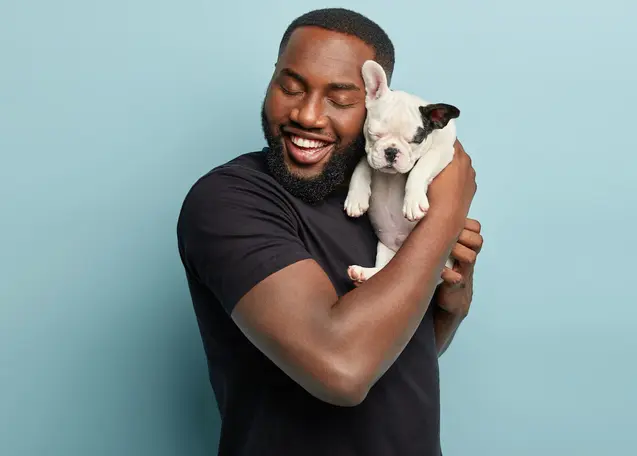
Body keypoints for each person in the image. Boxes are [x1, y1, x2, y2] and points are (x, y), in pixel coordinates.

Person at [176, 7, 483, 456]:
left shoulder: (388, 192)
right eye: (290, 87)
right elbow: (343, 371)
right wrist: (446, 214)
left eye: (339, 99)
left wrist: (451, 306)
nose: (308, 115)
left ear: (374, 102)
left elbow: (399, 356)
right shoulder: (229, 201)